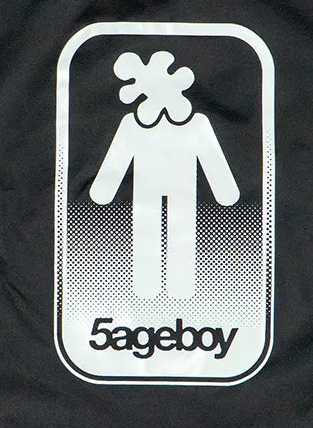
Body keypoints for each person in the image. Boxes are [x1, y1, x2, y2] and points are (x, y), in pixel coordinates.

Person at [90, 51, 239, 298]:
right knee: (146, 230)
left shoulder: (196, 124)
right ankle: (147, 289)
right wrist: (103, 191)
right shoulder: (132, 125)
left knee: (182, 230)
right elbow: (115, 163)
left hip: (183, 188)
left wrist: (225, 191)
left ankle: (179, 289)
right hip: (146, 189)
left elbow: (212, 160)